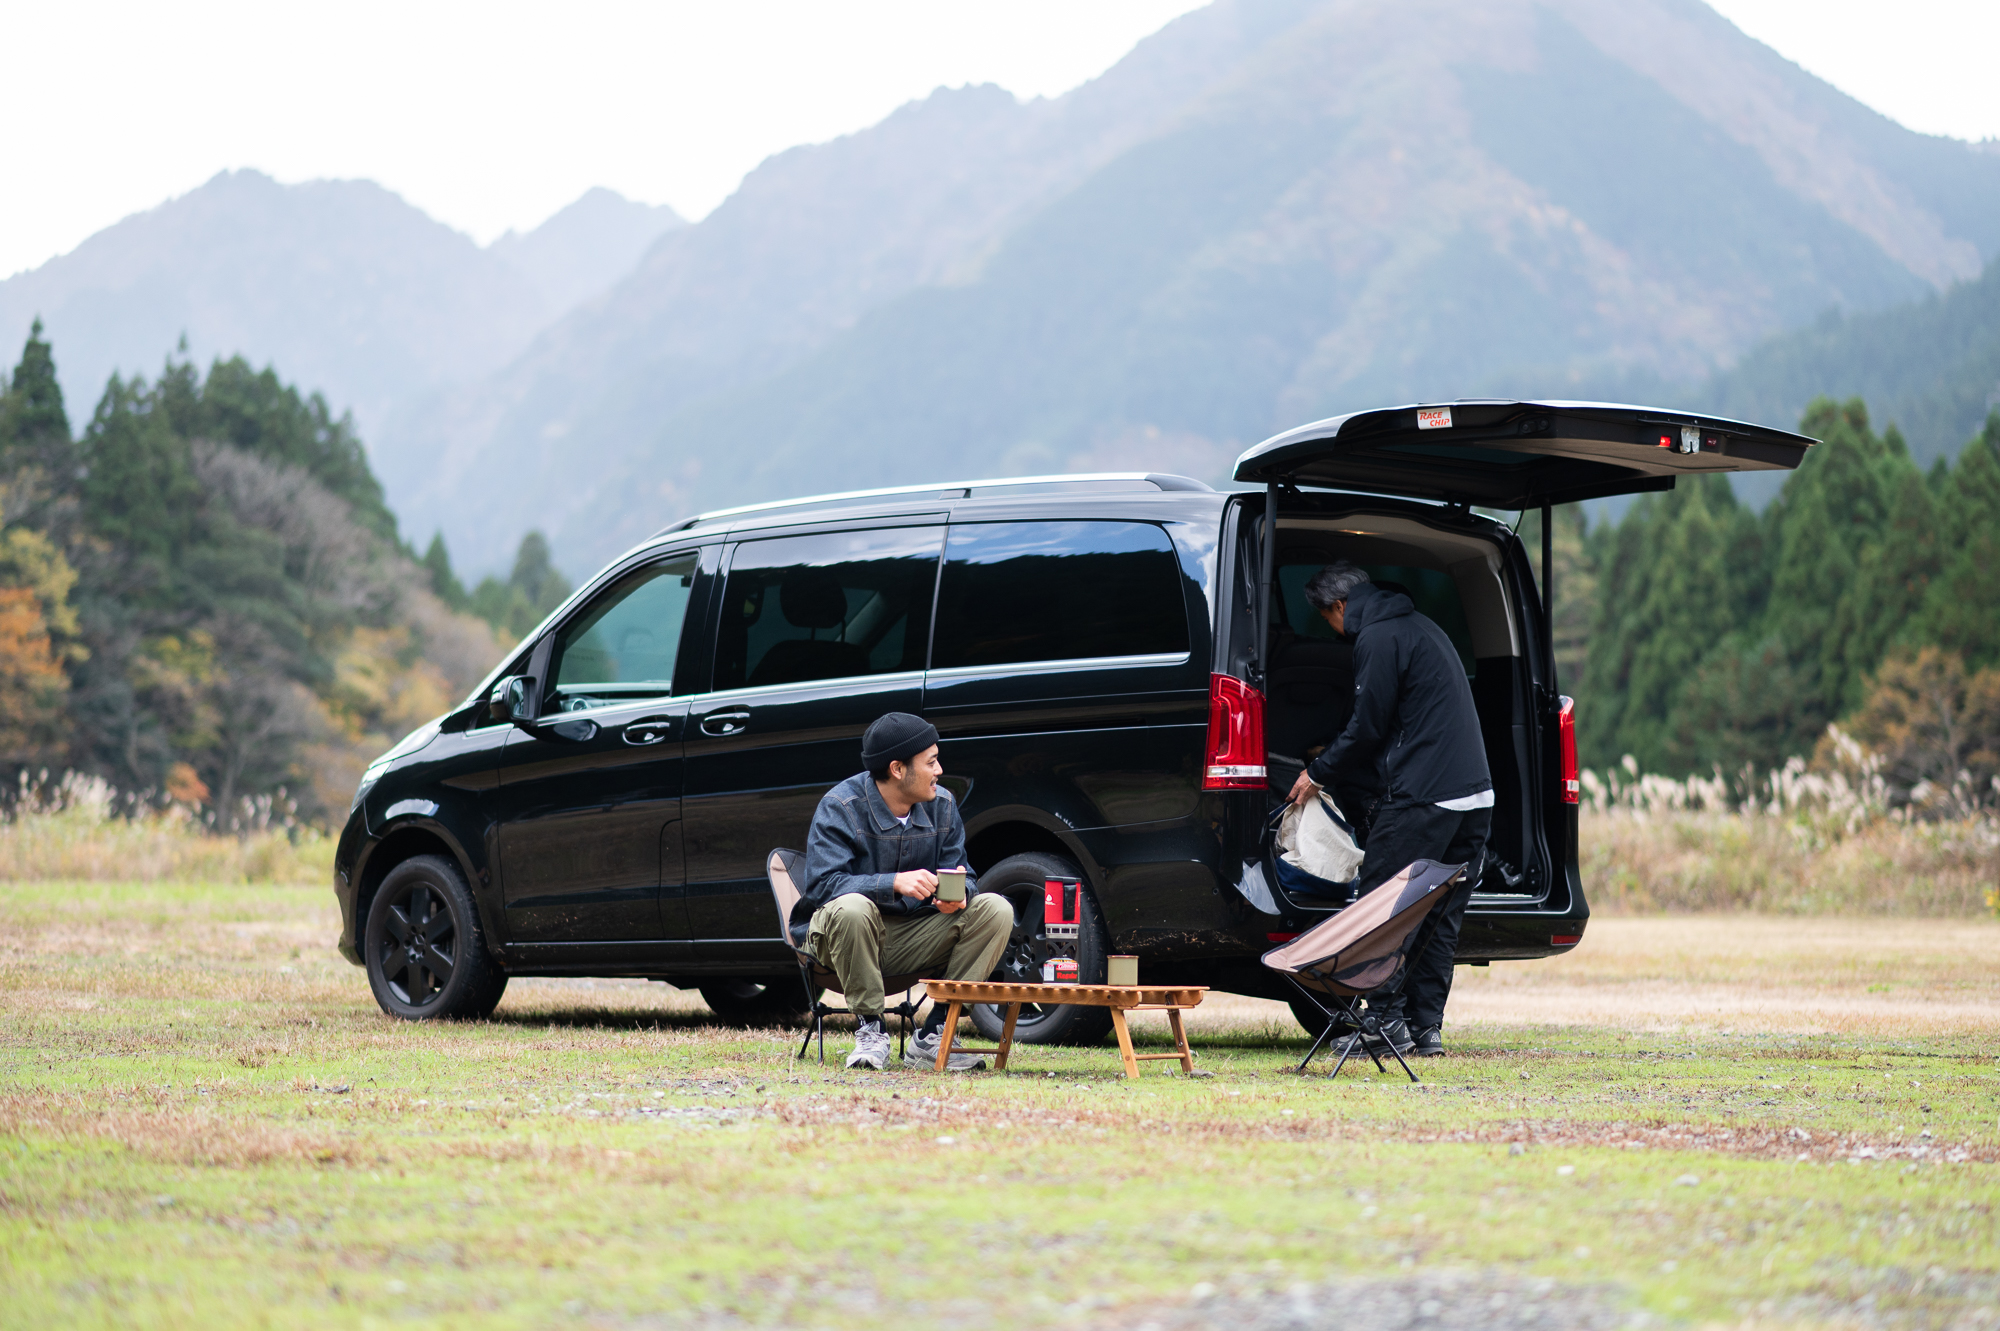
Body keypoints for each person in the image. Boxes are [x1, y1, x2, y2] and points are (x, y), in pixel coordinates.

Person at [1285, 562, 1492, 1059]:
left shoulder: (1377, 638)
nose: (1332, 631)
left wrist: (1317, 773)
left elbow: (1367, 726)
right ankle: (1425, 1029)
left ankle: (1381, 1025)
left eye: (1327, 619)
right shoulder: (1421, 627)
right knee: (1439, 914)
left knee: (1383, 905)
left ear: (1339, 607)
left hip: (1427, 794)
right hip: (1476, 796)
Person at [797, 711, 1014, 1070]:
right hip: (840, 939)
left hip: (914, 937)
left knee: (995, 908)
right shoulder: (841, 807)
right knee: (853, 907)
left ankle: (937, 1036)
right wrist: (893, 882)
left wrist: (961, 894)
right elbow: (822, 888)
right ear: (898, 769)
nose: (939, 770)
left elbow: (967, 876)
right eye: (931, 762)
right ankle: (870, 1031)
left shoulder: (942, 805)